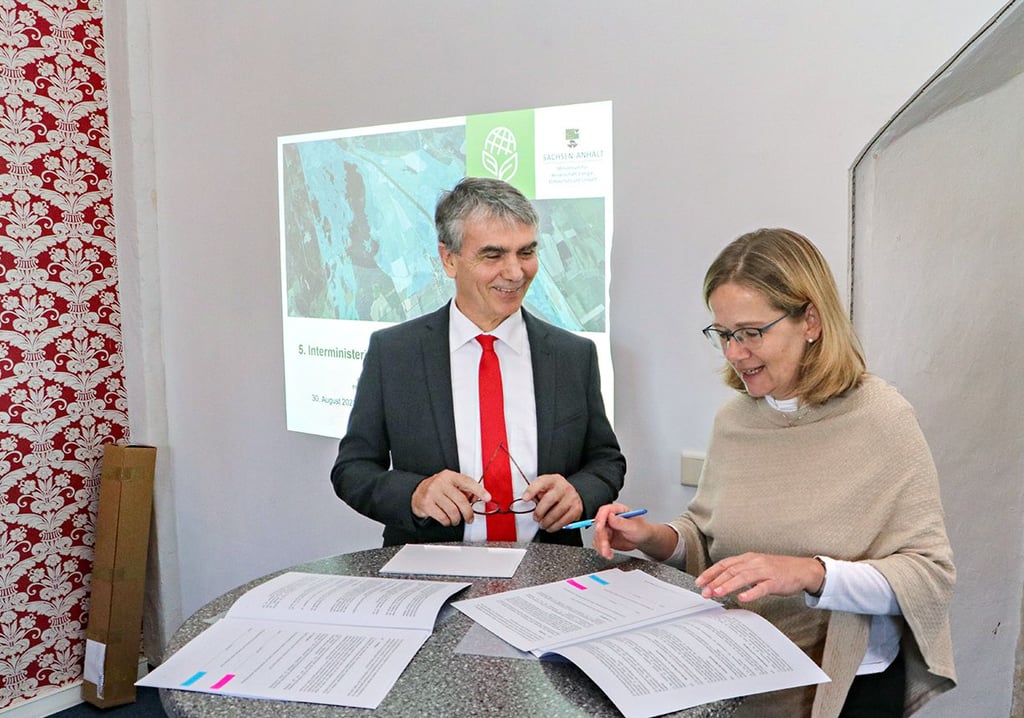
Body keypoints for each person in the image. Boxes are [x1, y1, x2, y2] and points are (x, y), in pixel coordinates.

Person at [592, 228, 955, 717]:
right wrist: (652, 537)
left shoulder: (882, 418)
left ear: (811, 320)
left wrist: (809, 573)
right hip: (738, 671)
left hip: (845, 689)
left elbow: (928, 576)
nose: (734, 353)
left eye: (751, 333)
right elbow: (707, 538)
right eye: (723, 334)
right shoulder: (735, 419)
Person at [331, 176, 625, 546]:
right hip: (430, 576)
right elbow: (352, 471)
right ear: (449, 259)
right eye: (493, 255)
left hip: (547, 577)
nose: (516, 272)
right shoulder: (394, 353)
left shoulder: (572, 356)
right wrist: (415, 493)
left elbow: (606, 461)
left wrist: (580, 493)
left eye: (526, 252)